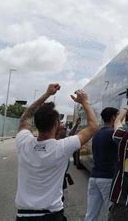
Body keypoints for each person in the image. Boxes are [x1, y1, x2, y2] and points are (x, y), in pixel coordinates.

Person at [15, 84, 97, 220]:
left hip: (24, 215)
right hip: (52, 215)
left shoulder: (23, 142)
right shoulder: (62, 147)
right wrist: (85, 102)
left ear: (36, 124)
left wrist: (46, 94)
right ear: (57, 124)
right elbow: (93, 126)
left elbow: (25, 117)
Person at [85, 107, 119, 221]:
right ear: (114, 117)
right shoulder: (113, 134)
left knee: (91, 214)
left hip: (94, 177)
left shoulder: (97, 133)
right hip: (108, 178)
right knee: (110, 213)